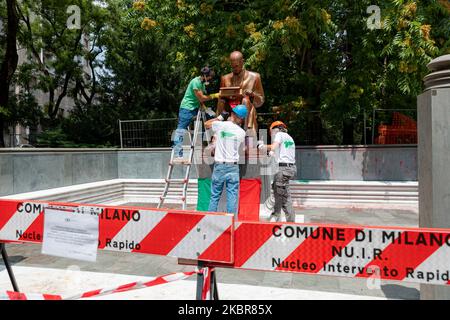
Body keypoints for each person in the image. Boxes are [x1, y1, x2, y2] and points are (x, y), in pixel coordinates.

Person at [205, 105, 248, 215]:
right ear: (242, 118)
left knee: (215, 196)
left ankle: (210, 220)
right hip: (233, 167)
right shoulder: (242, 132)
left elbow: (206, 124)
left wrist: (220, 117)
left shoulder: (221, 125)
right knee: (232, 197)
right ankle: (231, 223)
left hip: (220, 166)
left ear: (232, 114)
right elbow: (243, 149)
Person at [172, 67, 220, 160]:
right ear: (205, 76)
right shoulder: (196, 82)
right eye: (210, 77)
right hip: (187, 108)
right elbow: (201, 97)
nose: (210, 79)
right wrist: (214, 96)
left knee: (210, 119)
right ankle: (178, 153)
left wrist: (205, 108)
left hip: (195, 107)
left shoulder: (201, 84)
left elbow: (199, 99)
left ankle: (202, 144)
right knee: (181, 129)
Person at [216, 51, 265, 134]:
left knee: (246, 100)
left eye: (237, 66)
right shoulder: (225, 78)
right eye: (232, 66)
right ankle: (218, 128)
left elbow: (261, 100)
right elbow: (222, 95)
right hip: (230, 109)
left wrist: (252, 95)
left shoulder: (255, 77)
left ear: (242, 62)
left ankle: (245, 131)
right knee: (221, 100)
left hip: (246, 109)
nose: (235, 68)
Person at [257, 121, 297, 222]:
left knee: (284, 197)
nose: (272, 135)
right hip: (289, 168)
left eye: (271, 132)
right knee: (278, 191)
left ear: (275, 129)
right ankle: (276, 214)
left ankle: (290, 222)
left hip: (283, 170)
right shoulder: (289, 137)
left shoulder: (279, 134)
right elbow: (281, 152)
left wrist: (262, 146)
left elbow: (273, 146)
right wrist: (271, 152)